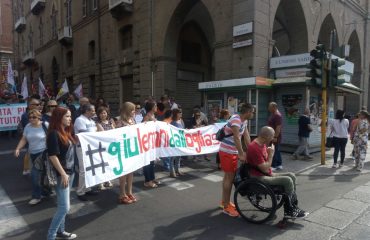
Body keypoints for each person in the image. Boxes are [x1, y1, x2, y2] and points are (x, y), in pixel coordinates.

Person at [247, 126, 308, 219]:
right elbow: (264, 168)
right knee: (287, 180)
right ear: (266, 136)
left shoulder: (262, 144)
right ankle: (289, 210)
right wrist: (271, 154)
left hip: (266, 173)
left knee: (292, 175)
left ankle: (293, 206)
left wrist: (268, 154)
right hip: (258, 177)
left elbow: (266, 165)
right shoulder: (254, 147)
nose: (273, 139)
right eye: (272, 136)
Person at [46, 107, 77, 240]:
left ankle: (61, 231)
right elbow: (53, 156)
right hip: (62, 174)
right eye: (67, 116)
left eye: (70, 116)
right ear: (59, 118)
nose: (70, 119)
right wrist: (63, 174)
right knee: (64, 207)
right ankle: (51, 236)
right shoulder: (53, 133)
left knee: (62, 205)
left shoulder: (65, 131)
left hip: (69, 172)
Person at [219, 103, 254, 217]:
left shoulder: (244, 121)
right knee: (230, 178)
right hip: (227, 152)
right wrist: (241, 153)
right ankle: (226, 207)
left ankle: (225, 201)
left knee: (227, 177)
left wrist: (251, 151)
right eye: (252, 112)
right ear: (247, 112)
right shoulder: (236, 120)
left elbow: (246, 136)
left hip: (231, 151)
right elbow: (236, 137)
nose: (253, 114)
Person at [14, 109, 50, 205]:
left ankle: (36, 196)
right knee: (42, 175)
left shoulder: (45, 125)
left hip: (43, 153)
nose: (31, 119)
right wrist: (18, 149)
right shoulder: (28, 126)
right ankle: (45, 191)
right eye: (30, 117)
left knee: (34, 175)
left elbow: (52, 137)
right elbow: (24, 139)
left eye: (34, 117)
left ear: (39, 117)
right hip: (32, 153)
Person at [74, 103, 99, 201]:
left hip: (90, 147)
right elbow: (83, 135)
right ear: (86, 111)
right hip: (82, 147)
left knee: (89, 169)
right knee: (83, 170)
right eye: (92, 110)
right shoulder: (80, 120)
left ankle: (87, 188)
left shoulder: (92, 121)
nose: (94, 112)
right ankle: (80, 191)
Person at [115, 102, 138, 204]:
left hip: (132, 148)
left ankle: (129, 192)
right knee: (123, 173)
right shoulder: (119, 122)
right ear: (127, 110)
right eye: (132, 110)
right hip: (123, 149)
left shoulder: (133, 120)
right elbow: (117, 136)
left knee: (130, 172)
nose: (134, 111)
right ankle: (122, 194)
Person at [95, 106, 115, 189]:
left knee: (108, 163)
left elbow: (114, 130)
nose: (103, 115)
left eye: (104, 113)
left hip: (110, 145)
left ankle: (107, 179)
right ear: (98, 114)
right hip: (101, 146)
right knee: (101, 163)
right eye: (101, 113)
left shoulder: (110, 121)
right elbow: (103, 132)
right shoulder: (98, 123)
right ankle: (100, 182)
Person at [142, 101, 160, 188]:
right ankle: (147, 181)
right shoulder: (147, 116)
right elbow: (143, 128)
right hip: (146, 143)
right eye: (155, 105)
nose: (156, 107)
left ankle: (152, 178)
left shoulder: (153, 116)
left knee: (152, 161)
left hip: (152, 142)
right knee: (147, 162)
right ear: (151, 107)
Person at [267, 102, 283, 170]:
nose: (268, 108)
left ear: (274, 107)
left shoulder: (277, 115)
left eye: (269, 107)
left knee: (273, 150)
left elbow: (278, 127)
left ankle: (273, 165)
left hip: (275, 136)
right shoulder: (274, 114)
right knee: (277, 150)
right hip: (272, 136)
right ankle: (279, 164)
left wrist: (275, 137)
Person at [170, 108, 184, 177]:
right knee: (173, 157)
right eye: (179, 112)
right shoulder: (172, 122)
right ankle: (172, 171)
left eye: (181, 112)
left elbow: (183, 129)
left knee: (179, 156)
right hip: (174, 141)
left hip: (180, 140)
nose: (181, 114)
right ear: (176, 114)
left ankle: (177, 169)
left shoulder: (181, 120)